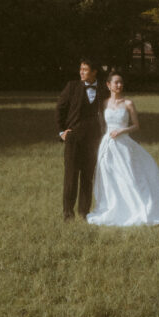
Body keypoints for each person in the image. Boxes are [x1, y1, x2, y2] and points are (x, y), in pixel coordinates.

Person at [86, 71, 159, 227]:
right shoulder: (104, 103)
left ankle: (134, 208)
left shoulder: (128, 103)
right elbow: (102, 124)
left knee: (128, 175)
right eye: (116, 82)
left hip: (123, 143)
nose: (119, 85)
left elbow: (136, 126)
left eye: (121, 82)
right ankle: (112, 206)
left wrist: (121, 131)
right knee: (108, 175)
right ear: (108, 85)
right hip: (107, 144)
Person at [55, 58, 104, 221]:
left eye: (85, 69)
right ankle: (68, 213)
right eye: (80, 69)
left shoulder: (103, 89)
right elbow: (60, 108)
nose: (81, 72)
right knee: (71, 175)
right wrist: (62, 131)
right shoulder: (72, 86)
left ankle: (84, 212)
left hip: (93, 139)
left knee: (88, 176)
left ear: (94, 71)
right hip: (74, 137)